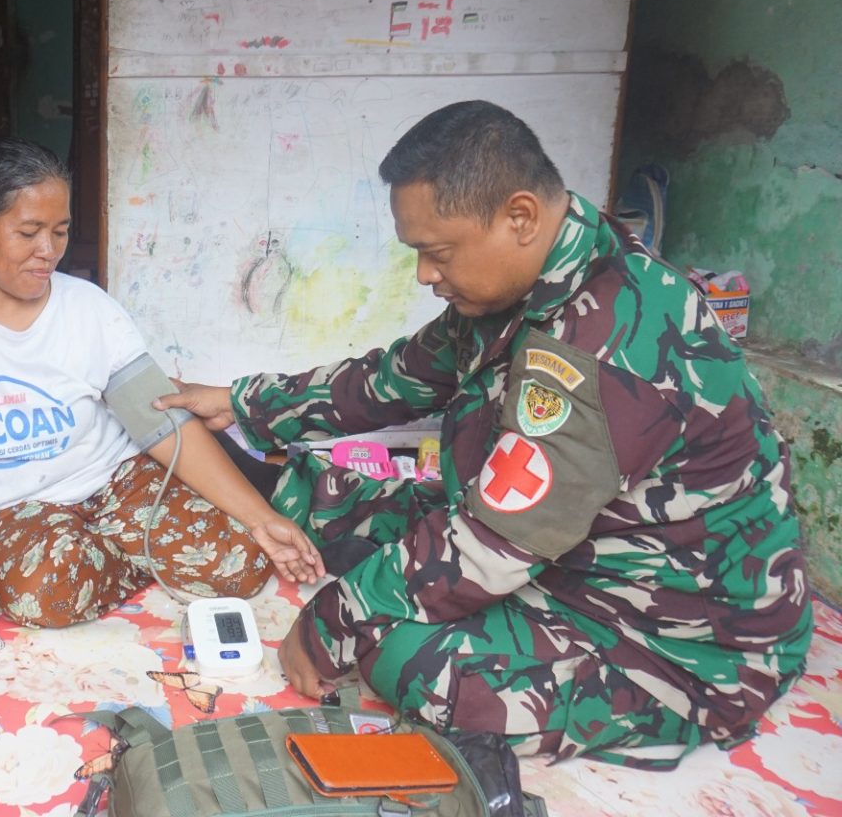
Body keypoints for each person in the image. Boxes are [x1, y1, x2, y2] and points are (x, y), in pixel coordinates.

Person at [160, 101, 812, 764]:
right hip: (560, 549)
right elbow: (397, 377)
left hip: (668, 639)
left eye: (436, 252)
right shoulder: (532, 280)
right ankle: (266, 488)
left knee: (399, 655)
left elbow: (492, 541)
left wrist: (332, 623)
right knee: (342, 503)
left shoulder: (606, 346)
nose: (424, 274)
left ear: (519, 217)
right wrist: (243, 404)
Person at [0, 137, 324, 634]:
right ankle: (108, 555)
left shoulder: (88, 307)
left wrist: (260, 520)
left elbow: (160, 423)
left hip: (112, 483)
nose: (48, 251)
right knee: (47, 590)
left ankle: (99, 553)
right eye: (28, 232)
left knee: (239, 565)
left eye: (60, 231)